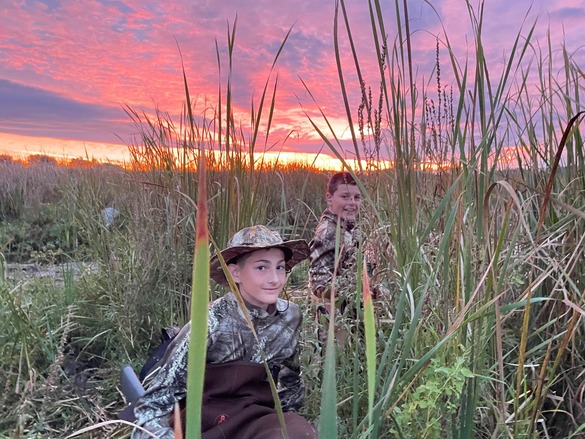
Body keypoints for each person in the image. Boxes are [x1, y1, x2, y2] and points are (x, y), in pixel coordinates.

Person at [131, 225, 317, 439]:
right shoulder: (209, 322)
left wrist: (283, 423)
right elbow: (154, 402)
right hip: (206, 419)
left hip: (254, 415)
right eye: (261, 268)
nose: (275, 279)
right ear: (235, 273)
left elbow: (291, 380)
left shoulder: (290, 316)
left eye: (280, 267)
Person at [308, 171, 365, 306]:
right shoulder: (329, 233)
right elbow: (319, 286)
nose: (352, 203)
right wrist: (363, 288)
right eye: (345, 197)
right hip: (334, 319)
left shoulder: (347, 227)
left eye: (357, 197)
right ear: (329, 199)